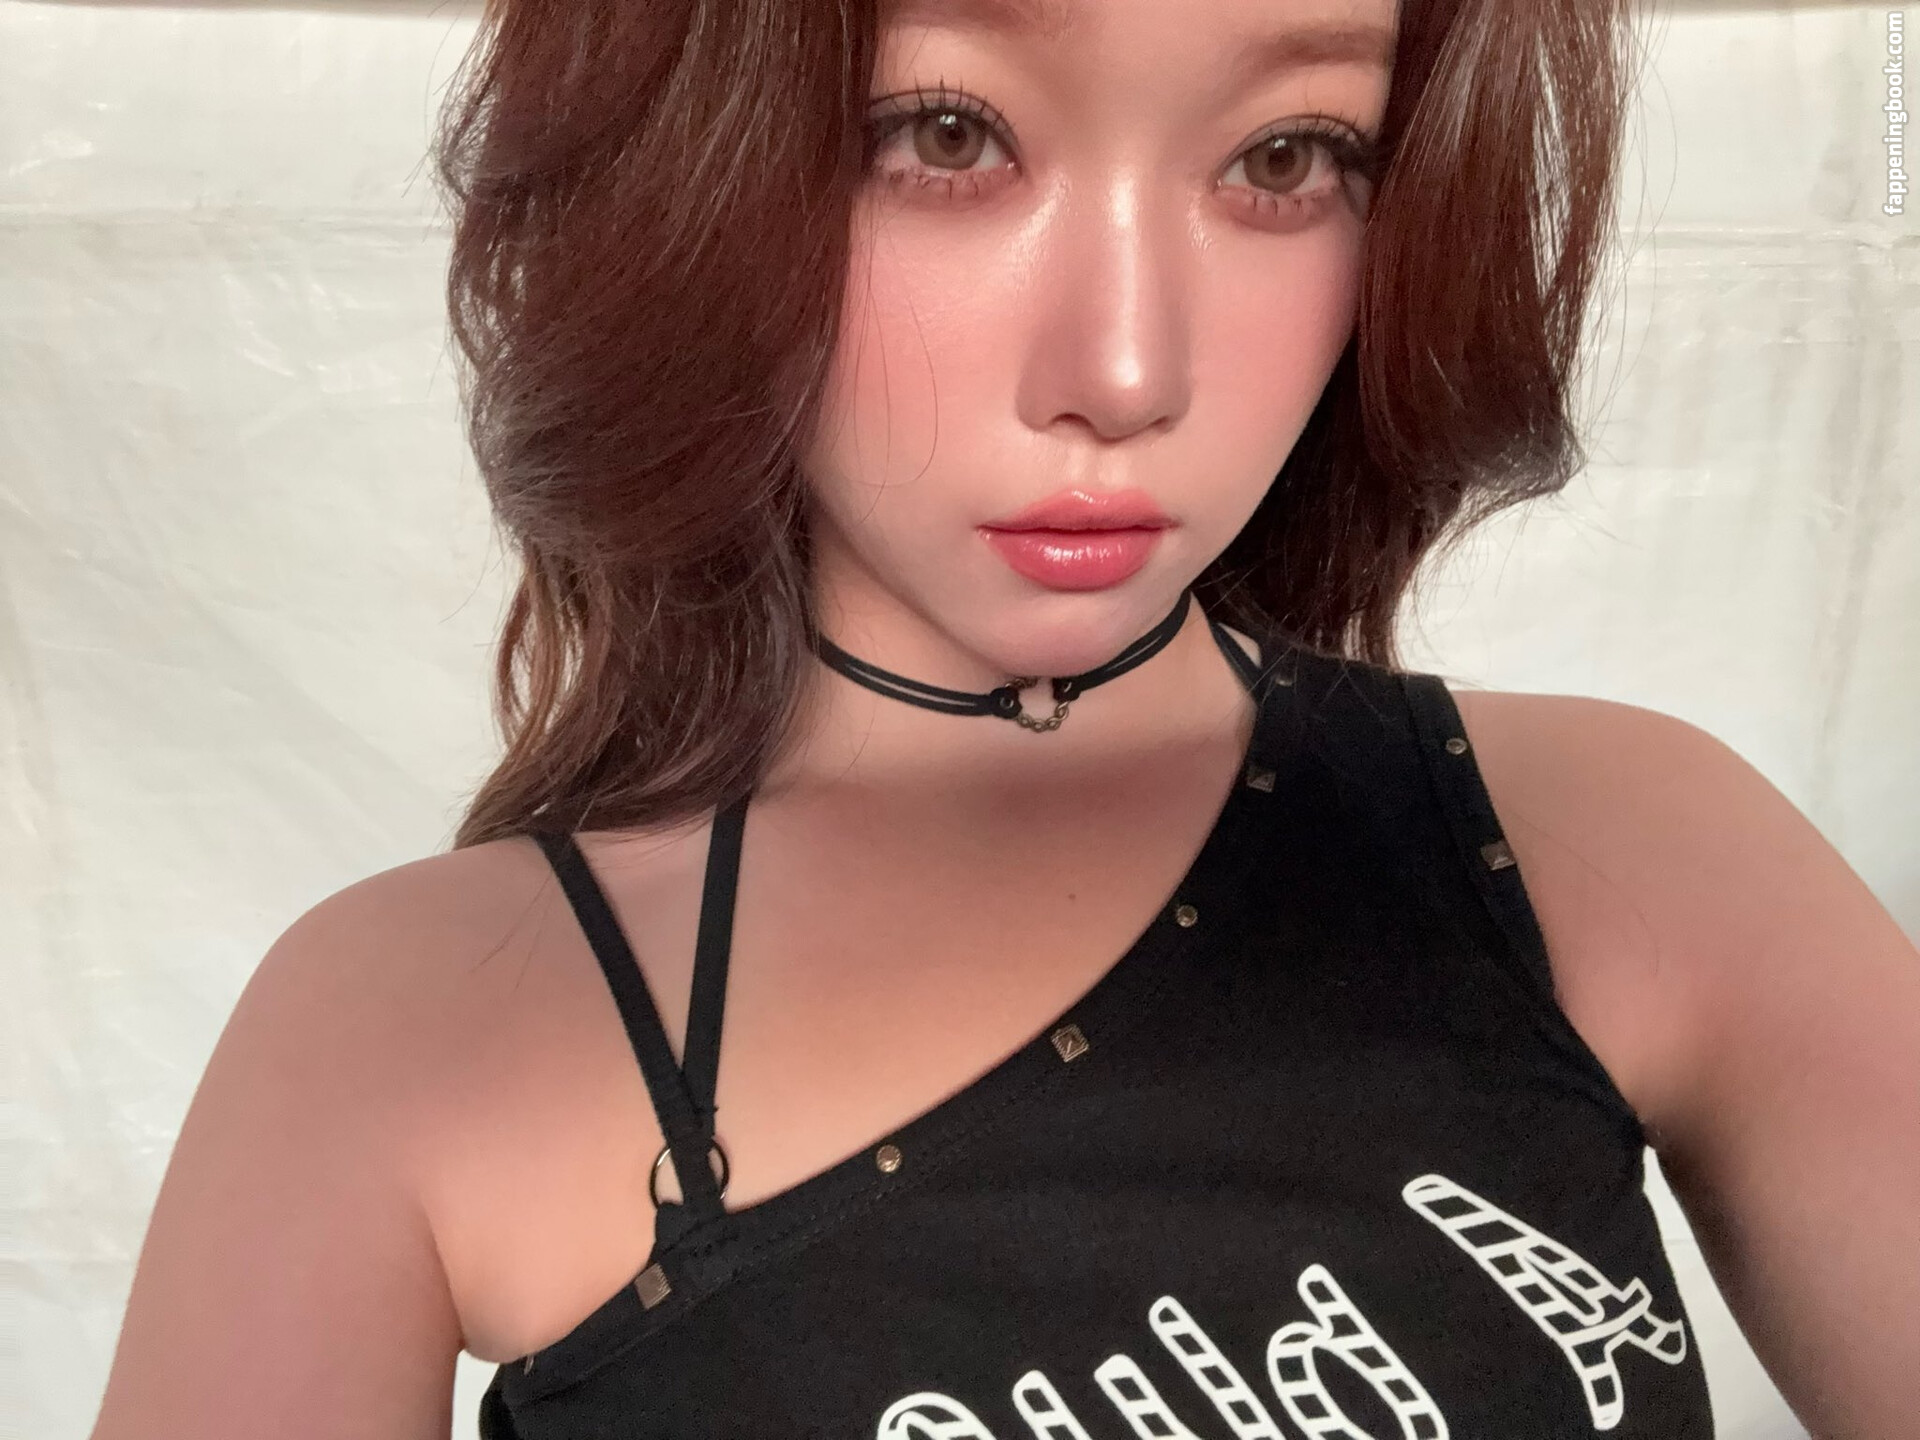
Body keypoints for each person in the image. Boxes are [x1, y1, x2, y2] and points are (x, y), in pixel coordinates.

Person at [88, 0, 1920, 1435]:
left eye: (1286, 156)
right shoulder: (405, 1034)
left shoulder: (1627, 849)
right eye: (945, 134)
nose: (1126, 371)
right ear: (679, 165)